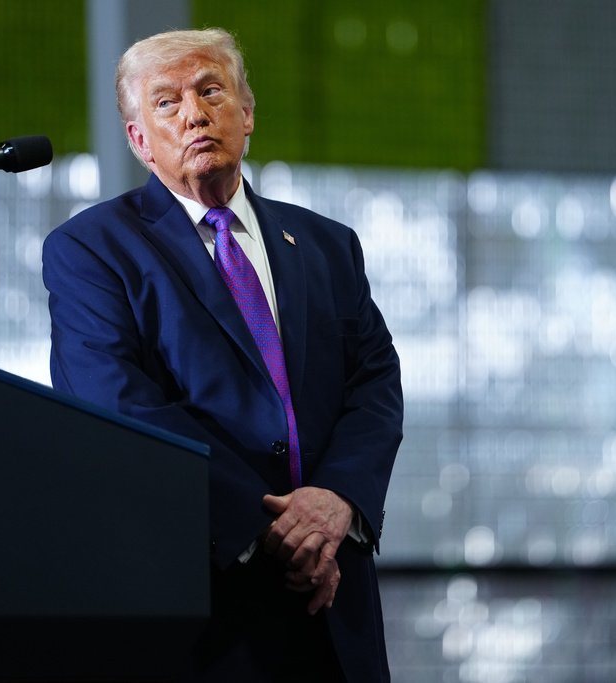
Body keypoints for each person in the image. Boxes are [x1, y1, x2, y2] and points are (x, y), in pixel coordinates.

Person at [43, 28, 403, 682]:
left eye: (211, 90)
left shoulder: (327, 245)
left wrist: (337, 500)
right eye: (166, 102)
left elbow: (374, 383)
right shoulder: (91, 249)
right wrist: (270, 526)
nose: (194, 113)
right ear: (138, 139)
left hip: (336, 606)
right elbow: (117, 404)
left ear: (247, 112)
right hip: (202, 606)